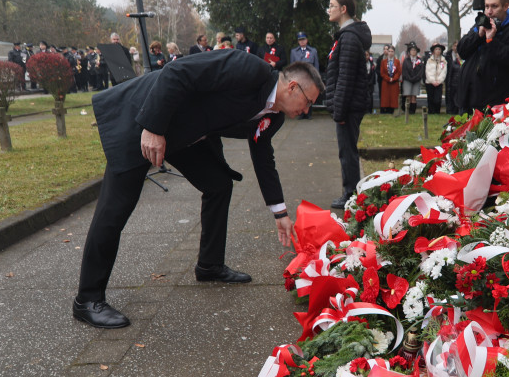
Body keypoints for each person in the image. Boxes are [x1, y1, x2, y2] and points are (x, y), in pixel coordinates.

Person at [73, 52, 324, 328]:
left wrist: (280, 213)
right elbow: (177, 71)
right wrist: (153, 127)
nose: (307, 110)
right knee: (115, 208)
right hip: (148, 117)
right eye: (308, 102)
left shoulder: (273, 116)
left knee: (218, 184)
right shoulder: (249, 70)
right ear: (292, 87)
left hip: (184, 135)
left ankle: (209, 265)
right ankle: (87, 299)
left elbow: (263, 156)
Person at [324, 0, 372, 210]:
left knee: (347, 151)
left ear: (343, 9)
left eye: (332, 5)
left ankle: (350, 195)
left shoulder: (350, 37)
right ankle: (350, 192)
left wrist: (339, 111)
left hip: (349, 107)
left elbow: (346, 78)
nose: (329, 9)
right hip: (349, 105)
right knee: (347, 150)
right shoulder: (347, 35)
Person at [457, 0, 509, 113]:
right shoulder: (481, 24)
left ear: (505, 6)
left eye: (494, 6)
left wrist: (491, 40)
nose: (489, 12)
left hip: (494, 105)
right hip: (469, 99)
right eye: (487, 6)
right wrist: (478, 36)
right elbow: (462, 51)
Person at [424, 43, 448, 114]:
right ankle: (431, 111)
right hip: (430, 82)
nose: (438, 51)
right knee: (430, 98)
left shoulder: (443, 61)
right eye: (436, 49)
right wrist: (432, 81)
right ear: (433, 51)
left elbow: (444, 72)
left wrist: (439, 81)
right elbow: (427, 71)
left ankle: (437, 111)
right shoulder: (429, 60)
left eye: (439, 49)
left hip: (439, 82)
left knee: (437, 99)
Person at [401, 44, 424, 114]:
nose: (413, 51)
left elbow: (421, 71)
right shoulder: (406, 60)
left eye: (415, 50)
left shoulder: (420, 61)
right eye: (412, 50)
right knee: (408, 95)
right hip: (407, 80)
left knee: (414, 96)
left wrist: (415, 78)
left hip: (416, 81)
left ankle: (412, 111)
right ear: (409, 51)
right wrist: (409, 78)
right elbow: (404, 71)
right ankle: (407, 110)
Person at [379, 45, 401, 115]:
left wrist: (393, 79)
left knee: (393, 96)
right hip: (386, 82)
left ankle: (392, 110)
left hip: (394, 82)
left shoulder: (397, 61)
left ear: (394, 52)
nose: (390, 53)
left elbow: (398, 72)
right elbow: (382, 73)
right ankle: (386, 109)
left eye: (392, 51)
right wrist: (388, 79)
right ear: (387, 52)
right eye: (389, 51)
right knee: (386, 97)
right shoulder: (383, 62)